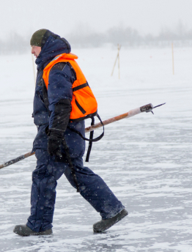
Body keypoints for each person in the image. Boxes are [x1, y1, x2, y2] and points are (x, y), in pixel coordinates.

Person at [13, 29, 128, 236]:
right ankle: (112, 210)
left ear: (44, 46)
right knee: (77, 173)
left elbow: (61, 104)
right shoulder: (55, 64)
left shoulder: (57, 67)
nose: (31, 51)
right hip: (68, 131)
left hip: (61, 131)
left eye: (34, 46)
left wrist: (54, 136)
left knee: (44, 175)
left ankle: (39, 225)